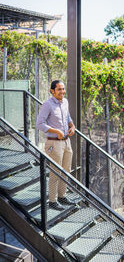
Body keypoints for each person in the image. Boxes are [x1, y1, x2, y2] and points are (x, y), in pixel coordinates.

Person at [36, 80, 75, 210]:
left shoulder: (65, 102)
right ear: (52, 91)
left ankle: (62, 196)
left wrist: (72, 126)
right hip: (53, 143)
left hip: (66, 142)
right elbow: (39, 124)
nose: (62, 92)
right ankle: (52, 201)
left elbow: (68, 118)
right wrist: (56, 131)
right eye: (59, 89)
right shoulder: (47, 105)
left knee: (66, 170)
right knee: (55, 171)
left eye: (63, 89)